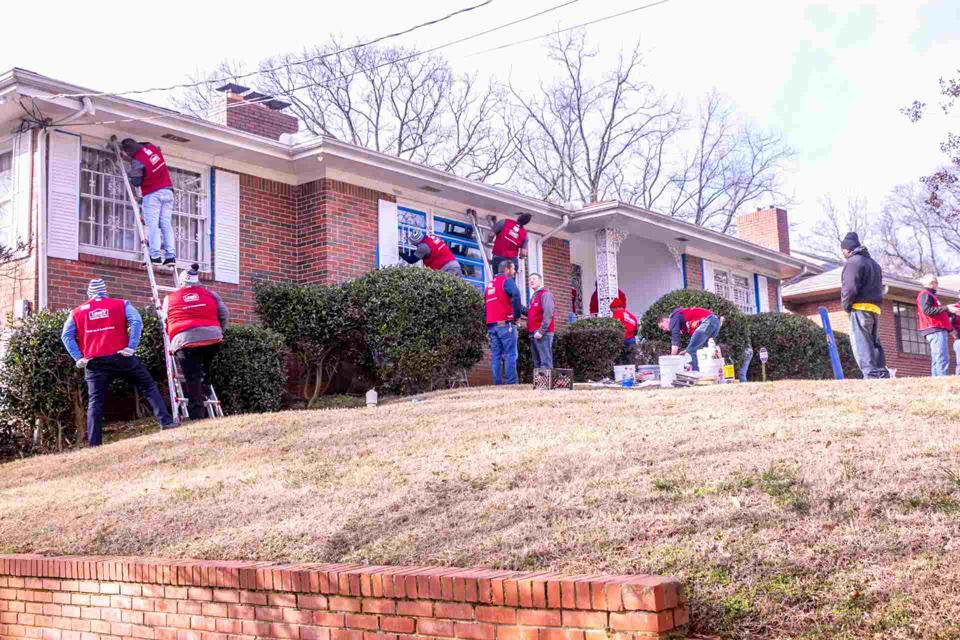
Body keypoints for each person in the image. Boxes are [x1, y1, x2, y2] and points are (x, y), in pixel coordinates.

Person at [61, 278, 176, 446]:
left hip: (94, 363)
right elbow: (136, 321)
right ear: (105, 291)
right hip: (122, 357)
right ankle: (166, 421)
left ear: (89, 293)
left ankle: (94, 443)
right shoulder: (121, 304)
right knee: (147, 385)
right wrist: (131, 347)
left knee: (96, 401)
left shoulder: (76, 312)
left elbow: (66, 336)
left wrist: (78, 358)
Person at [163, 263, 230, 419]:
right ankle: (206, 385)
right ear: (197, 281)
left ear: (181, 282)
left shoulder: (170, 298)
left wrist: (172, 336)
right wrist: (219, 331)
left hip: (185, 340)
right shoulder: (211, 294)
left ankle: (197, 414)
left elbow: (165, 319)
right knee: (205, 366)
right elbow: (224, 314)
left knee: (192, 377)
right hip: (212, 338)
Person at [839, 232, 889, 379]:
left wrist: (846, 306)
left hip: (860, 308)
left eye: (843, 250)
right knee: (874, 343)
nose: (842, 253)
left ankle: (871, 375)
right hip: (875, 309)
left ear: (848, 249)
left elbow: (849, 288)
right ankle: (881, 373)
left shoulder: (853, 263)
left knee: (862, 343)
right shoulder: (874, 264)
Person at [120, 138, 176, 266]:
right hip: (168, 191)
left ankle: (155, 256)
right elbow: (147, 162)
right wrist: (130, 160)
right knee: (166, 224)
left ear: (129, 152)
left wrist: (131, 172)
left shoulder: (137, 161)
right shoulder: (151, 148)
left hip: (153, 194)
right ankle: (170, 256)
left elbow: (136, 182)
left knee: (152, 224)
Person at [485, 260, 525, 385]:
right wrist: (516, 316)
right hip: (505, 324)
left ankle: (497, 384)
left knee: (496, 356)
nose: (515, 271)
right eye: (513, 268)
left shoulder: (490, 285)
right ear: (506, 269)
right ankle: (511, 384)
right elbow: (516, 295)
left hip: (492, 325)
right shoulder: (507, 281)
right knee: (510, 354)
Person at [915, 274, 958, 377]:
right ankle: (942, 379)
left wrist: (949, 311)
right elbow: (927, 310)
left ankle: (936, 379)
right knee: (941, 357)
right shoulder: (925, 294)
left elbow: (939, 313)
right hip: (935, 329)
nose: (937, 285)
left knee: (938, 357)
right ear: (931, 283)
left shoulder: (931, 295)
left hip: (938, 329)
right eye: (936, 282)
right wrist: (946, 308)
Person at [657, 306, 722, 372]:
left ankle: (696, 374)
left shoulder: (673, 318)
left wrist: (671, 360)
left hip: (708, 321)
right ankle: (713, 372)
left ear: (666, 320)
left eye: (662, 327)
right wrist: (686, 350)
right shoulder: (683, 323)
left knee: (691, 351)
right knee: (705, 349)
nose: (664, 330)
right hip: (715, 322)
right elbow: (696, 341)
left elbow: (675, 341)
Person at [527, 273, 555, 370]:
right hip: (533, 333)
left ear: (540, 281)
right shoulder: (533, 297)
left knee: (545, 362)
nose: (531, 281)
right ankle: (540, 380)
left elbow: (548, 313)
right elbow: (531, 313)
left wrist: (541, 331)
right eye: (530, 279)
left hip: (543, 333)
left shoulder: (545, 294)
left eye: (534, 279)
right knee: (537, 363)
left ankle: (547, 380)